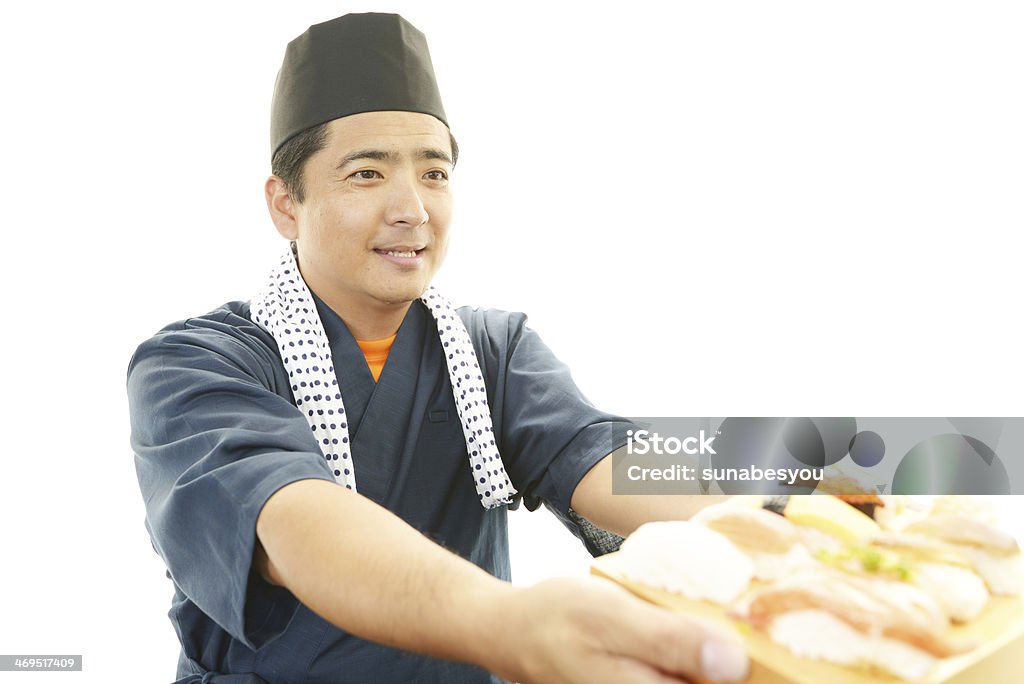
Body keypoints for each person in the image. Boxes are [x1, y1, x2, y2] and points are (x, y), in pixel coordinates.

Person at [127, 13, 749, 684]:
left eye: (435, 174)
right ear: (285, 204)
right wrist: (511, 624)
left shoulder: (491, 350)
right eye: (367, 174)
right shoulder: (193, 366)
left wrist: (846, 478)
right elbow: (295, 520)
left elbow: (612, 459)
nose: (413, 210)